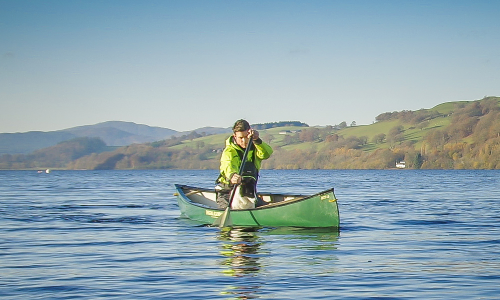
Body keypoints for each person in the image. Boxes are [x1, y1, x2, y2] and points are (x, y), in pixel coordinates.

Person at [215, 119, 273, 209]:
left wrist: (257, 139)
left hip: (248, 192)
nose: (244, 141)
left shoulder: (256, 147)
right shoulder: (229, 151)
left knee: (266, 207)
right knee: (227, 208)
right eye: (240, 138)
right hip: (227, 193)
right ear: (234, 136)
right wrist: (232, 175)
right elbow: (227, 165)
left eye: (246, 137)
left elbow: (266, 154)